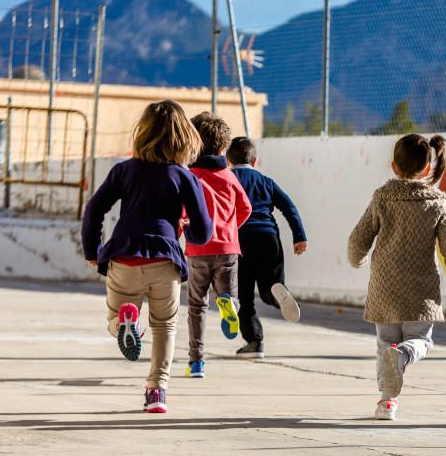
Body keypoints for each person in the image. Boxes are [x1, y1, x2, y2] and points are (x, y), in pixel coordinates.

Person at [81, 100, 212, 414]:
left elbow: (94, 210)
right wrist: (189, 232)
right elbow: (204, 230)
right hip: (165, 261)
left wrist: (92, 251)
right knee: (165, 326)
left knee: (114, 319)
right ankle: (157, 390)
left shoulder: (123, 170)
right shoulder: (184, 176)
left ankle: (129, 326)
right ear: (184, 137)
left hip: (124, 255)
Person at [348, 133, 446, 421]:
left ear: (393, 166)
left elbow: (359, 237)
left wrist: (357, 258)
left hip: (384, 287)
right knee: (420, 341)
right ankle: (403, 354)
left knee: (383, 346)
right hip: (420, 290)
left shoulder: (382, 198)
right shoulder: (437, 203)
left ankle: (386, 403)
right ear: (427, 168)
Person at [184, 113, 252, 378]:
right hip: (227, 248)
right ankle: (230, 305)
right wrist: (231, 228)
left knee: (197, 305)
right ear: (223, 147)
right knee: (229, 292)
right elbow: (245, 207)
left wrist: (185, 229)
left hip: (198, 249)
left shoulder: (191, 176)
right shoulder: (229, 176)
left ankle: (197, 361)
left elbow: (181, 211)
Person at [227, 136, 306, 359]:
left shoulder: (228, 179)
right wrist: (299, 236)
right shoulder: (266, 181)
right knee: (270, 286)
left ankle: (254, 341)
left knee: (244, 295)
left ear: (228, 160)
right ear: (255, 161)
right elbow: (289, 207)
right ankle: (280, 294)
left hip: (239, 241)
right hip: (268, 238)